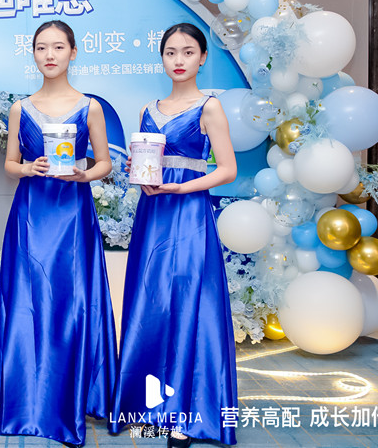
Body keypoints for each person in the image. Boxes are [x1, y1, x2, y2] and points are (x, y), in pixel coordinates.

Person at [109, 23, 238, 447]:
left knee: (187, 302)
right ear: (161, 58)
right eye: (170, 52)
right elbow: (144, 161)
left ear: (202, 58)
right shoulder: (148, 109)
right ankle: (145, 408)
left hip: (189, 213)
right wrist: (139, 173)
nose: (178, 60)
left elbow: (227, 169)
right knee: (151, 302)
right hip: (152, 213)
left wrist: (183, 188)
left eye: (188, 52)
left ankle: (187, 413)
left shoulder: (209, 107)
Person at [0, 20, 118, 448]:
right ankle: (26, 401)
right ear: (33, 54)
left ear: (73, 52)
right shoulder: (20, 108)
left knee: (71, 301)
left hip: (72, 214)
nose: (50, 55)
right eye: (42, 47)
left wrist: (85, 175)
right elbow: (10, 164)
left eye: (58, 47)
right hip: (32, 213)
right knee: (28, 302)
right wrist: (28, 168)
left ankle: (68, 399)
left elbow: (105, 162)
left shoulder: (90, 107)